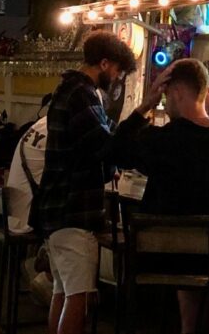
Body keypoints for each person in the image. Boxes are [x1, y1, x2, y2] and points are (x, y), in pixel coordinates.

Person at [108, 58, 209, 334]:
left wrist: (145, 106)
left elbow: (116, 151)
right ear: (207, 94)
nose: (164, 102)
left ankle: (195, 326)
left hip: (161, 256)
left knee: (185, 239)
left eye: (165, 96)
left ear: (176, 92)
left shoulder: (160, 141)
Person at [30, 30, 147, 334]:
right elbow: (104, 145)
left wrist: (110, 162)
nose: (118, 78)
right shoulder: (81, 93)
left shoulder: (71, 90)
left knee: (63, 293)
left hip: (57, 210)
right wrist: (142, 111)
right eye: (119, 71)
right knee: (79, 299)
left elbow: (94, 145)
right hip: (72, 210)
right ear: (105, 63)